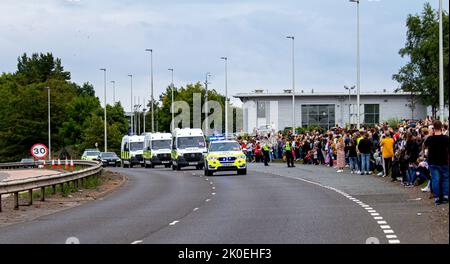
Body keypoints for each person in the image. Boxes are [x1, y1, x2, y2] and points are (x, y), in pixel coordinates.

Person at [423, 120, 449, 205]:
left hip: (433, 162)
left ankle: (437, 198)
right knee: (445, 179)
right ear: (441, 127)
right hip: (444, 161)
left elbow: (424, 145)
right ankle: (445, 197)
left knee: (435, 180)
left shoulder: (430, 138)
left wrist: (430, 135)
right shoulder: (446, 138)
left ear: (434, 128)